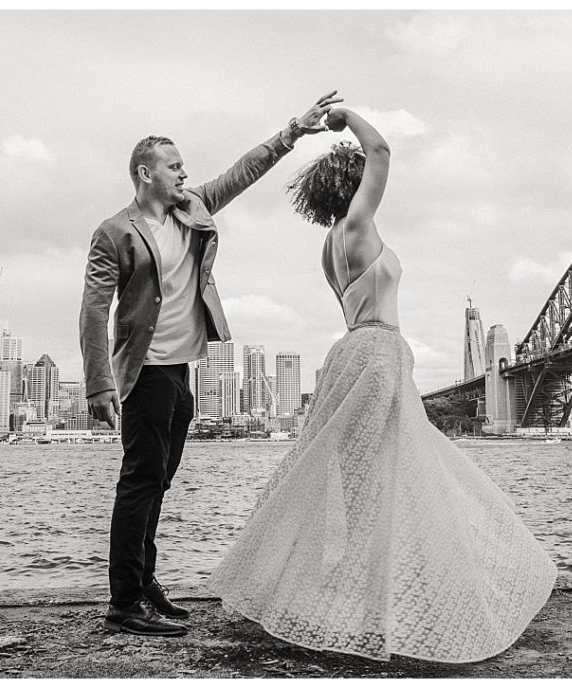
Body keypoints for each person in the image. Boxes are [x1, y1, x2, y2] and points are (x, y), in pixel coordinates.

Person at [208, 108, 558, 662]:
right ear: (353, 189)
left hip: (356, 353)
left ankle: (364, 596)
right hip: (376, 353)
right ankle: (381, 606)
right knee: (385, 478)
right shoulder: (356, 228)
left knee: (364, 480)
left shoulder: (331, 244)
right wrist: (349, 118)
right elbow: (383, 153)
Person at [80, 91, 343, 637]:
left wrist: (294, 129)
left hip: (181, 371)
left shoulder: (192, 207)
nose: (183, 173)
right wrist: (99, 385)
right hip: (144, 372)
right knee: (139, 483)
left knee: (159, 482)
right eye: (173, 166)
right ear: (144, 171)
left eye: (183, 167)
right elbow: (93, 309)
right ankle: (124, 602)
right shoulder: (115, 231)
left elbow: (242, 172)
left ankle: (144, 581)